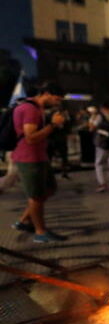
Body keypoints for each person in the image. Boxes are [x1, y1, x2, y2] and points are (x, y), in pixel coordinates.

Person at [11, 82, 69, 243]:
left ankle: (24, 221)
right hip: (29, 158)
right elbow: (31, 138)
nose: (58, 103)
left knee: (49, 189)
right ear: (47, 93)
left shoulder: (37, 108)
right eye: (57, 99)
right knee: (36, 196)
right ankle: (40, 232)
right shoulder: (30, 109)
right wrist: (53, 124)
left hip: (39, 156)